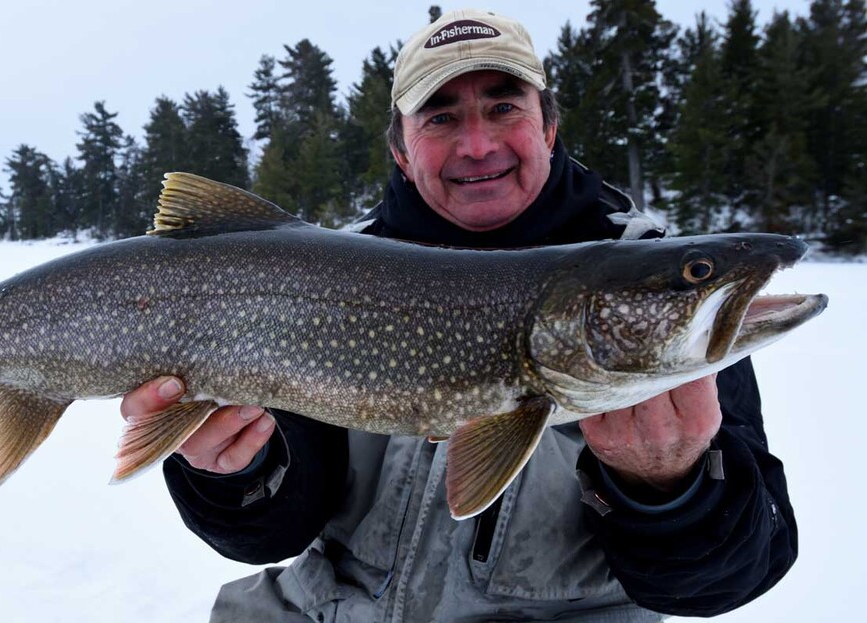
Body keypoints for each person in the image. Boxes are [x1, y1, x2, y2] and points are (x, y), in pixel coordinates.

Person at [121, 9, 796, 622]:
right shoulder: (321, 276)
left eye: (504, 106)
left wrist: (671, 491)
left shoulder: (643, 276)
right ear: (400, 149)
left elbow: (738, 569)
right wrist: (235, 474)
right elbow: (274, 531)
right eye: (440, 117)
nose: (477, 144)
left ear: (549, 126)